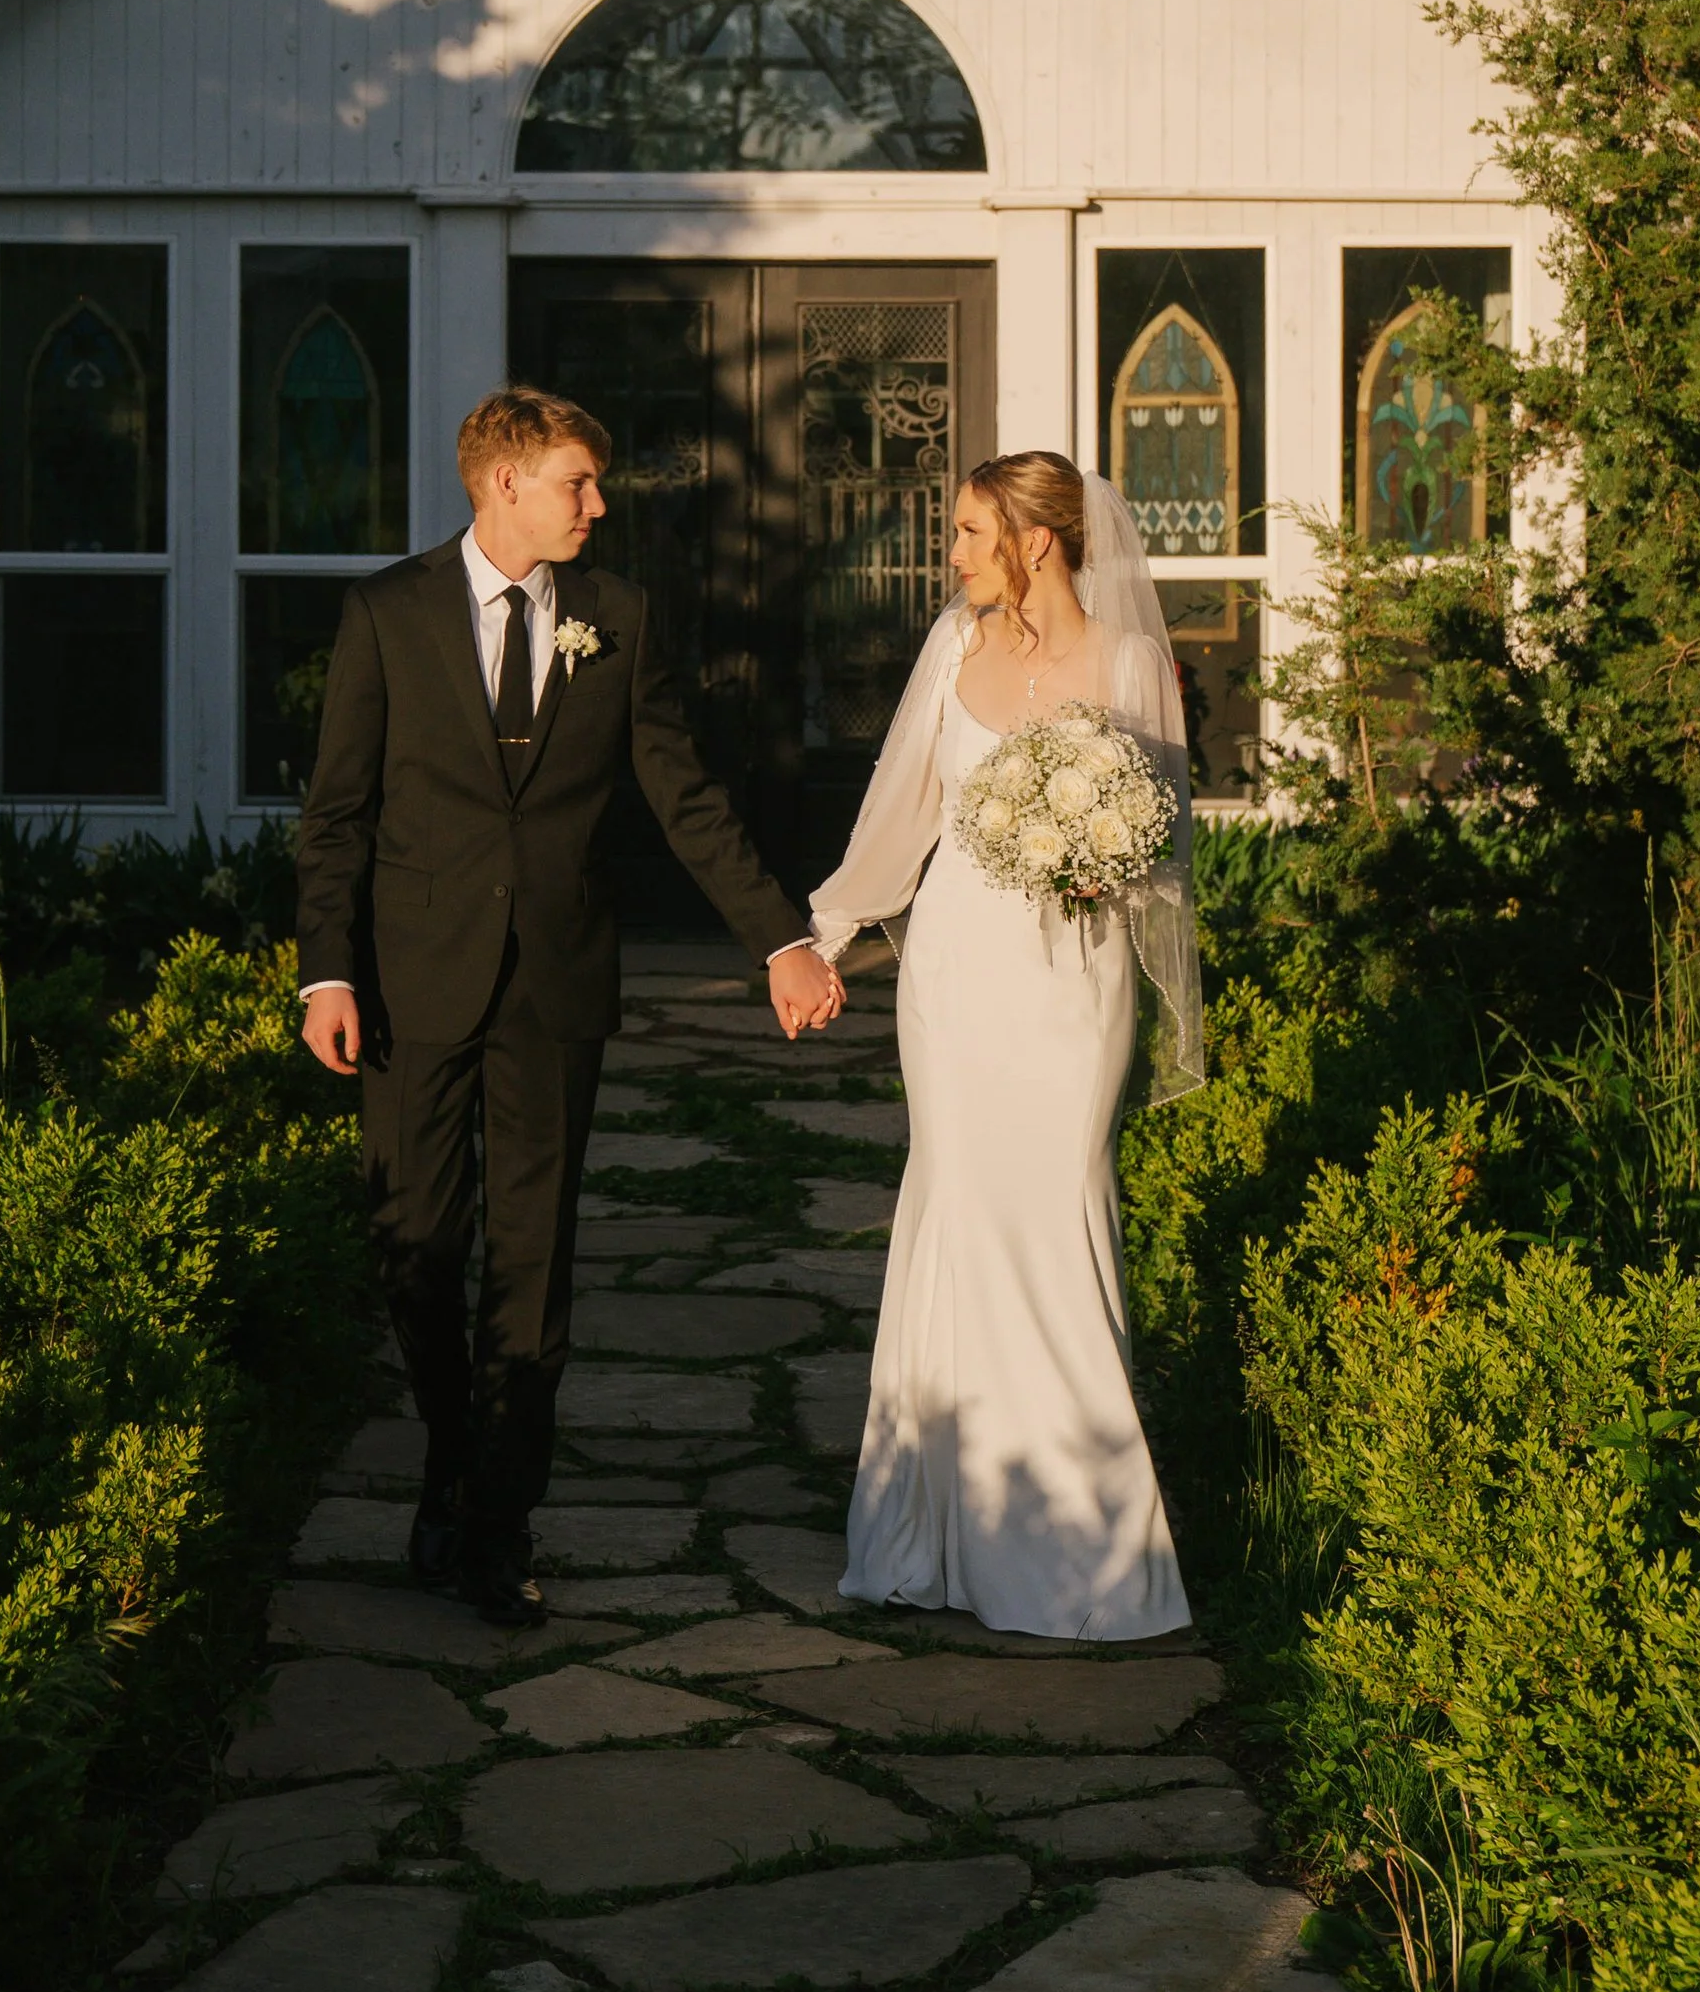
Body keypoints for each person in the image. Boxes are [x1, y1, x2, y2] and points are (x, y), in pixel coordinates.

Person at [297, 387, 839, 1625]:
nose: (598, 506)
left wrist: (780, 941)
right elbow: (337, 817)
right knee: (419, 1253)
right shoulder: (385, 614)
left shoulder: (619, 619)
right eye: (578, 485)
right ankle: (454, 1452)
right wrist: (326, 970)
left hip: (553, 988)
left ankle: (499, 1524)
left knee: (534, 1267)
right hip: (408, 987)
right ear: (502, 485)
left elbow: (683, 795)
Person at [806, 448, 1206, 1641]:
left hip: (1073, 985)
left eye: (974, 533)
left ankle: (1081, 1550)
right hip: (957, 976)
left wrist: (1094, 849)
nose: (955, 554)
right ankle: (938, 1536)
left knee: (1056, 1212)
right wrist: (825, 935)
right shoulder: (952, 650)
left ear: (1037, 543)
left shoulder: (1133, 664)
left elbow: (1166, 848)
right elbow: (901, 808)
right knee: (959, 1215)